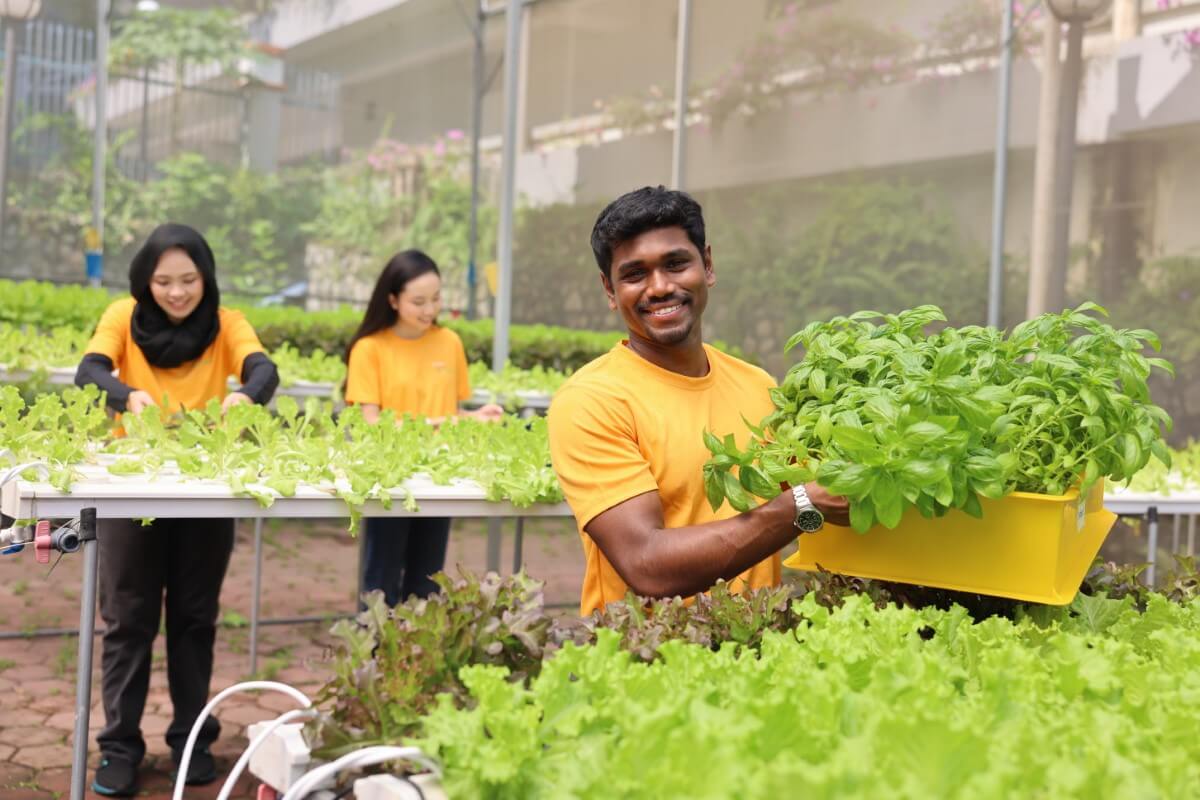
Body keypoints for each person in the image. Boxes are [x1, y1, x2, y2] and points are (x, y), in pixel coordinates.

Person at [547, 186, 851, 616]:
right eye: (634, 274)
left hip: (756, 647)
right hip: (648, 661)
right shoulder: (592, 401)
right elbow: (647, 566)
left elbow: (824, 497)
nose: (659, 287)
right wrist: (800, 506)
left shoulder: (757, 385)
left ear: (707, 265)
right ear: (610, 290)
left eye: (676, 264)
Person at [74, 223, 279, 797]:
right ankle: (120, 746)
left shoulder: (228, 324)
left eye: (189, 280)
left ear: (205, 278)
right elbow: (89, 370)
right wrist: (125, 395)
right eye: (163, 281)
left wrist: (243, 395)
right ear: (145, 280)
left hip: (205, 488)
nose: (177, 292)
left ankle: (193, 739)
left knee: (194, 619)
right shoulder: (122, 315)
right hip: (132, 486)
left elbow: (264, 371)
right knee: (128, 621)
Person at [344, 249, 503, 607]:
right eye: (418, 301)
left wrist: (476, 419)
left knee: (427, 581)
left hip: (438, 476)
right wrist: (442, 422)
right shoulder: (369, 349)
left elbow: (449, 415)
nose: (429, 310)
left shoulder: (449, 342)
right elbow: (371, 426)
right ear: (392, 299)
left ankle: (417, 660)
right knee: (380, 584)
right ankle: (373, 658)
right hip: (389, 478)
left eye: (436, 299)